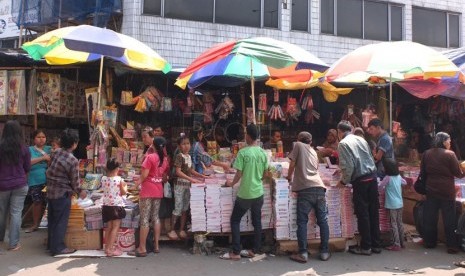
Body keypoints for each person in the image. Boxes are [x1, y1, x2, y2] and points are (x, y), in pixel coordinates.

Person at [221, 124, 269, 261]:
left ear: (248, 135)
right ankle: (256, 249)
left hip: (245, 194)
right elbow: (266, 174)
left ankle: (236, 251)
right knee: (257, 221)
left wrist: (231, 183)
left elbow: (238, 174)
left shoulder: (243, 152)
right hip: (258, 193)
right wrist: (258, 179)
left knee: (235, 220)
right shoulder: (262, 153)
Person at [336, 120, 381, 255]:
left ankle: (366, 247)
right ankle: (376, 245)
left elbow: (348, 167)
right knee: (373, 211)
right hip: (372, 177)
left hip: (360, 180)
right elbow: (370, 158)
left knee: (363, 214)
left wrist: (343, 182)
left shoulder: (343, 144)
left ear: (339, 132)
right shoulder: (361, 139)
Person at [287, 132, 331, 263]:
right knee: (323, 220)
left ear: (298, 140)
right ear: (311, 142)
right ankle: (324, 251)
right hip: (319, 188)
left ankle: (303, 253)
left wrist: (289, 177)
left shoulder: (298, 145)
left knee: (302, 221)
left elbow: (292, 164)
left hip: (305, 189)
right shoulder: (313, 151)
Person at [421, 132, 464, 254]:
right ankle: (451, 245)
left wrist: (423, 190)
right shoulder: (450, 154)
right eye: (449, 141)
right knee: (449, 218)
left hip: (431, 189)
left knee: (430, 217)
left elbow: (423, 173)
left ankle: (429, 242)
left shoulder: (427, 153)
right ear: (444, 141)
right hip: (447, 190)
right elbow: (458, 174)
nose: (450, 143)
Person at [130, 137, 169, 257]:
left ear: (153, 145)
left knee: (145, 219)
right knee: (155, 217)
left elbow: (144, 176)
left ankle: (142, 248)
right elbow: (165, 178)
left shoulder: (150, 157)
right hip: (158, 190)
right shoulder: (166, 160)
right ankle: (156, 246)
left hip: (147, 191)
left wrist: (135, 185)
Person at [46, 129, 79, 256]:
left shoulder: (55, 152)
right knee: (60, 221)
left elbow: (50, 168)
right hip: (62, 193)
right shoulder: (73, 160)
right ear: (74, 143)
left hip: (51, 191)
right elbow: (75, 182)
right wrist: (80, 192)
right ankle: (58, 247)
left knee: (52, 219)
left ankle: (51, 245)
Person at [167, 135, 206, 240]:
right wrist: (191, 179)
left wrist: (200, 175)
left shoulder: (188, 156)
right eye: (183, 144)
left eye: (188, 143)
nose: (186, 146)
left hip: (187, 186)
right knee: (178, 208)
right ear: (179, 146)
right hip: (179, 185)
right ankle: (172, 230)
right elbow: (178, 172)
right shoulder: (179, 156)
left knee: (185, 208)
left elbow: (190, 170)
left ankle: (181, 229)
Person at [0, 120, 31, 251]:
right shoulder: (24, 149)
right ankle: (13, 244)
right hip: (19, 184)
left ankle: (0, 240)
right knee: (16, 213)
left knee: (1, 213)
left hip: (2, 185)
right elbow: (27, 167)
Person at [25, 130, 52, 233]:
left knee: (50, 202)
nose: (41, 139)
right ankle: (35, 224)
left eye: (43, 137)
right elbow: (27, 163)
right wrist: (43, 158)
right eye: (39, 137)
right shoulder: (29, 150)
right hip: (35, 180)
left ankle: (49, 224)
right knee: (37, 202)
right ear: (34, 139)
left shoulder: (49, 149)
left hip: (49, 180)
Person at [379, 158, 406, 251]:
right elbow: (405, 183)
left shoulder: (387, 178)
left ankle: (396, 244)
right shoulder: (398, 177)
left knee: (393, 223)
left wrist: (383, 189)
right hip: (400, 203)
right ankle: (402, 242)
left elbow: (380, 186)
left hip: (391, 204)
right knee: (399, 223)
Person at [101, 158, 127, 257]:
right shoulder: (119, 180)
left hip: (106, 206)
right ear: (117, 168)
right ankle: (110, 250)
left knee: (109, 227)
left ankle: (107, 247)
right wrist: (124, 186)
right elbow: (123, 193)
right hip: (116, 206)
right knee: (115, 227)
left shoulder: (103, 179)